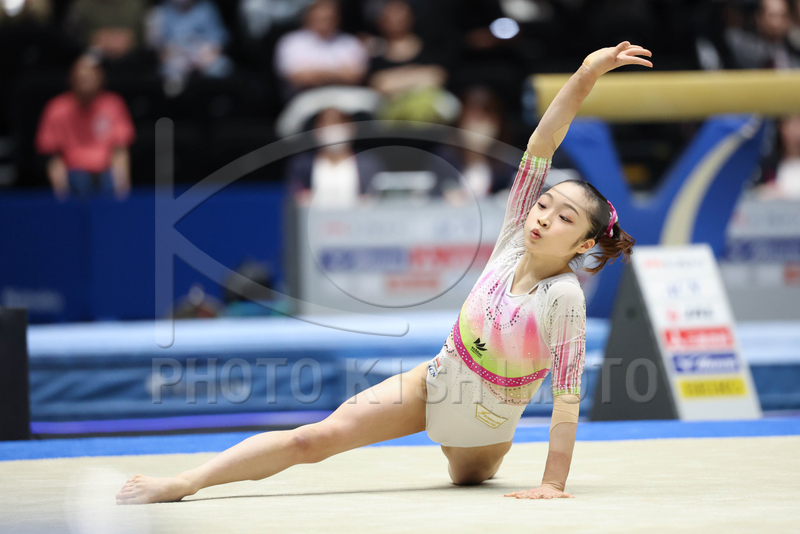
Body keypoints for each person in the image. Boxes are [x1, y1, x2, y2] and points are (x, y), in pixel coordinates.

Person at [116, 42, 649, 504]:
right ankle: (184, 482)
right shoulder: (512, 237)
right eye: (544, 204)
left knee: (467, 478)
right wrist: (585, 75)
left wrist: (552, 484)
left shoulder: (563, 297)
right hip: (434, 381)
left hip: (484, 427)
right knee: (311, 439)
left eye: (565, 218)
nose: (544, 217)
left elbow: (568, 395)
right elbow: (541, 145)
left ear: (584, 244)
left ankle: (483, 457)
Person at [35, 54, 135, 200]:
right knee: (80, 181)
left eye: (91, 74)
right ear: (71, 78)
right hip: (74, 175)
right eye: (81, 75)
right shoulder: (56, 108)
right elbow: (53, 156)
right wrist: (61, 195)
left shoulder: (113, 105)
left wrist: (122, 190)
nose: (86, 78)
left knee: (109, 184)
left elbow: (120, 150)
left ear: (101, 77)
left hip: (106, 173)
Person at [273, 0, 368, 99]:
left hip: (346, 96)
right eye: (320, 18)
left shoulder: (350, 42)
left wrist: (317, 73)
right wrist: (338, 73)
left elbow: (355, 76)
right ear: (309, 17)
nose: (325, 22)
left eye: (329, 18)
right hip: (305, 97)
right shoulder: (292, 42)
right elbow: (298, 78)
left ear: (338, 18)